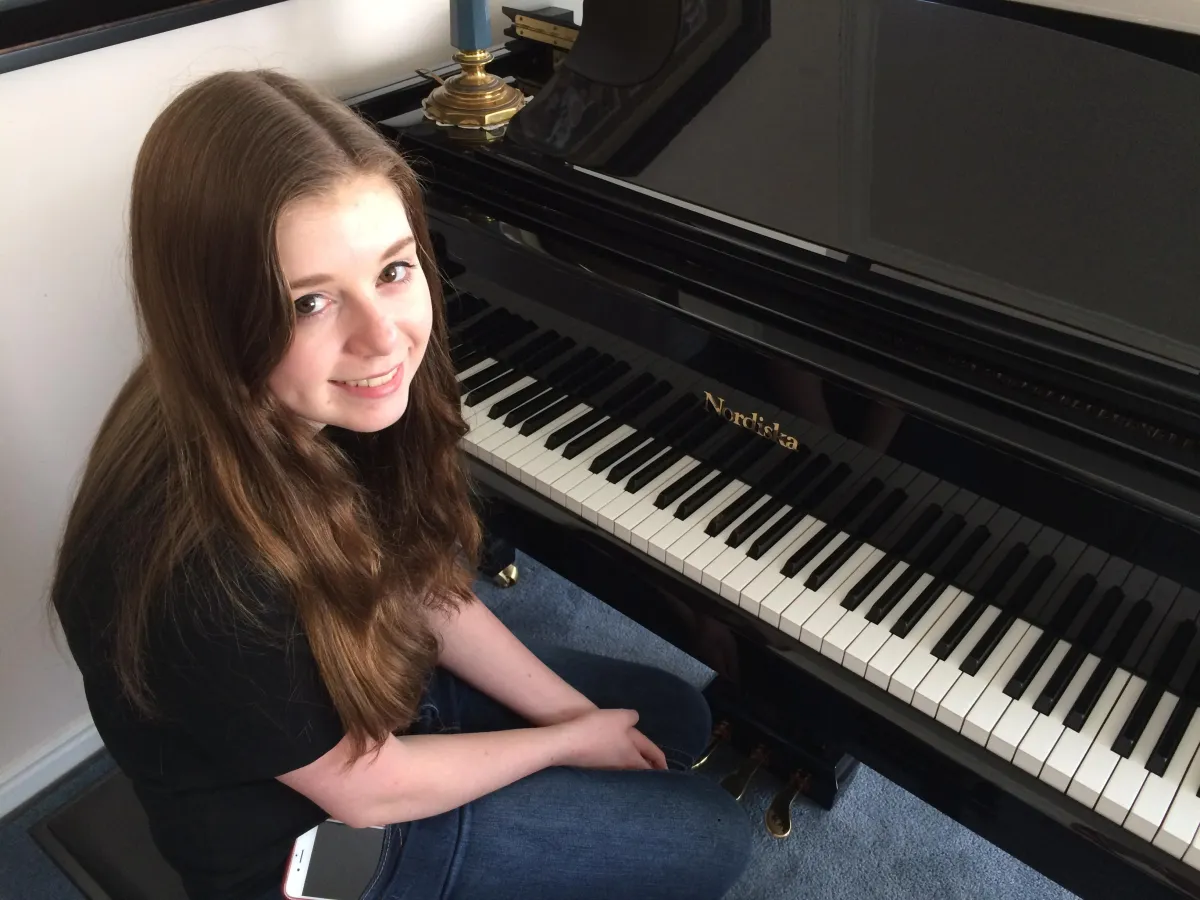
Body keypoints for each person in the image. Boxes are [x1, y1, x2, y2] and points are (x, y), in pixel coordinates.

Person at [48, 69, 753, 900]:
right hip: (308, 845)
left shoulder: (308, 402)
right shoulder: (198, 573)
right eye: (309, 302)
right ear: (214, 313)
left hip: (358, 675)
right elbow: (365, 789)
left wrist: (572, 714)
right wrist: (562, 745)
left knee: (673, 715)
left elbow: (416, 574)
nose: (384, 340)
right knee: (717, 839)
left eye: (392, 270)